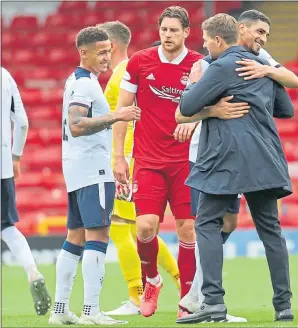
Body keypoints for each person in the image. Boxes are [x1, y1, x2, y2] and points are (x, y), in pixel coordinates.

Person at [176, 9, 298, 322]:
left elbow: (187, 107)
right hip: (264, 159)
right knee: (271, 230)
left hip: (225, 159)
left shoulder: (220, 66)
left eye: (206, 42)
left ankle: (214, 302)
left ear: (218, 40)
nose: (205, 47)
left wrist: (211, 105)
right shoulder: (262, 66)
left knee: (205, 223)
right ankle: (283, 306)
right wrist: (267, 74)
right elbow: (286, 109)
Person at [112, 6, 204, 318]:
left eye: (174, 30)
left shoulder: (198, 64)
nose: (168, 35)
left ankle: (188, 301)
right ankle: (152, 281)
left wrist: (194, 122)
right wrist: (118, 157)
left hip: (185, 162)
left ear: (186, 32)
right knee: (145, 227)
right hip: (148, 160)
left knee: (187, 229)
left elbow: (212, 106)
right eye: (164, 30)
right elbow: (123, 111)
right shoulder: (140, 62)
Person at [48, 26, 140, 325]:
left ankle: (60, 310)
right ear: (83, 52)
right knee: (98, 235)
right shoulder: (86, 85)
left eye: (108, 51)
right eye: (100, 52)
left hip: (75, 169)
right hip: (93, 169)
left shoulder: (75, 80)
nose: (106, 57)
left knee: (74, 237)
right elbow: (76, 124)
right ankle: (91, 311)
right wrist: (118, 115)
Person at [97, 21, 181, 316]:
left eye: (102, 46)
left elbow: (121, 117)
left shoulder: (123, 72)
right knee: (141, 230)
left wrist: (120, 156)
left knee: (124, 231)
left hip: (132, 157)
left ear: (112, 45)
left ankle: (138, 295)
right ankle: (180, 284)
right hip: (134, 156)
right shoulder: (125, 71)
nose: (101, 54)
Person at [1, 67, 51, 316]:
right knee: (7, 227)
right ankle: (32, 271)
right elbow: (21, 121)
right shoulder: (5, 76)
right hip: (2, 166)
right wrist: (16, 157)